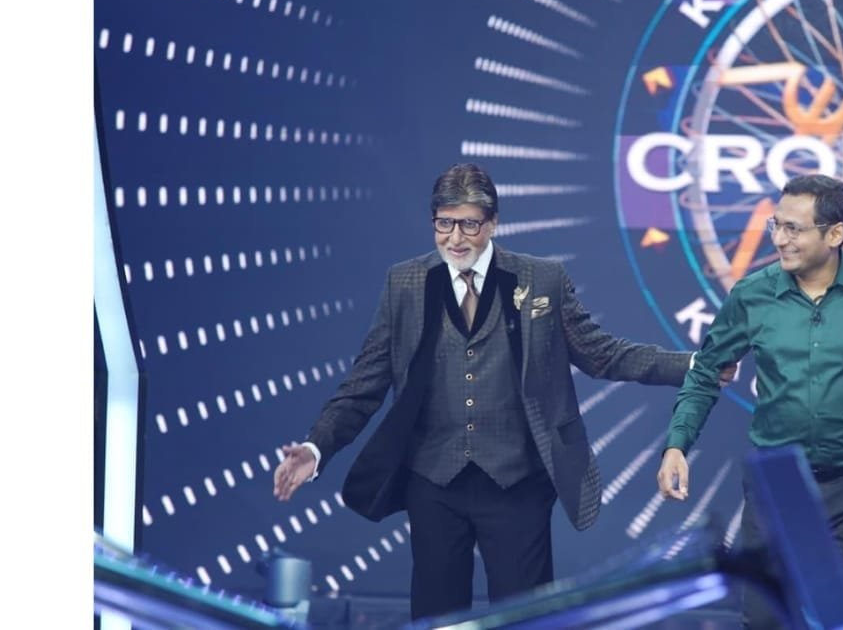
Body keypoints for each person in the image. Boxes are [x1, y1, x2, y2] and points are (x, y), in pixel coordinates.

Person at [273, 162, 731, 621]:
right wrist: (316, 447)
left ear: (493, 223)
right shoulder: (406, 283)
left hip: (518, 483)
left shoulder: (541, 279)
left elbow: (602, 354)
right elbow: (364, 382)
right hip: (433, 483)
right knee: (437, 619)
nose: (455, 238)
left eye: (469, 224)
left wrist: (695, 365)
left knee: (524, 619)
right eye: (444, 224)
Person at [656, 174, 843, 630]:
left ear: (835, 233)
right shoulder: (751, 295)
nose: (780, 239)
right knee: (763, 621)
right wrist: (676, 444)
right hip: (777, 487)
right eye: (776, 225)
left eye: (793, 229)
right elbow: (705, 374)